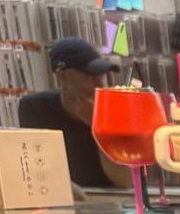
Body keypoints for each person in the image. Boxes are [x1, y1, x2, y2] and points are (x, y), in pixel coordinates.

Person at [17, 38, 130, 189]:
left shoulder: (113, 109)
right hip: (59, 199)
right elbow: (36, 171)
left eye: (101, 76)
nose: (100, 85)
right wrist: (62, 188)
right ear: (62, 76)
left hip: (110, 199)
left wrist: (97, 125)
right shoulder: (36, 109)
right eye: (88, 77)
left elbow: (123, 181)